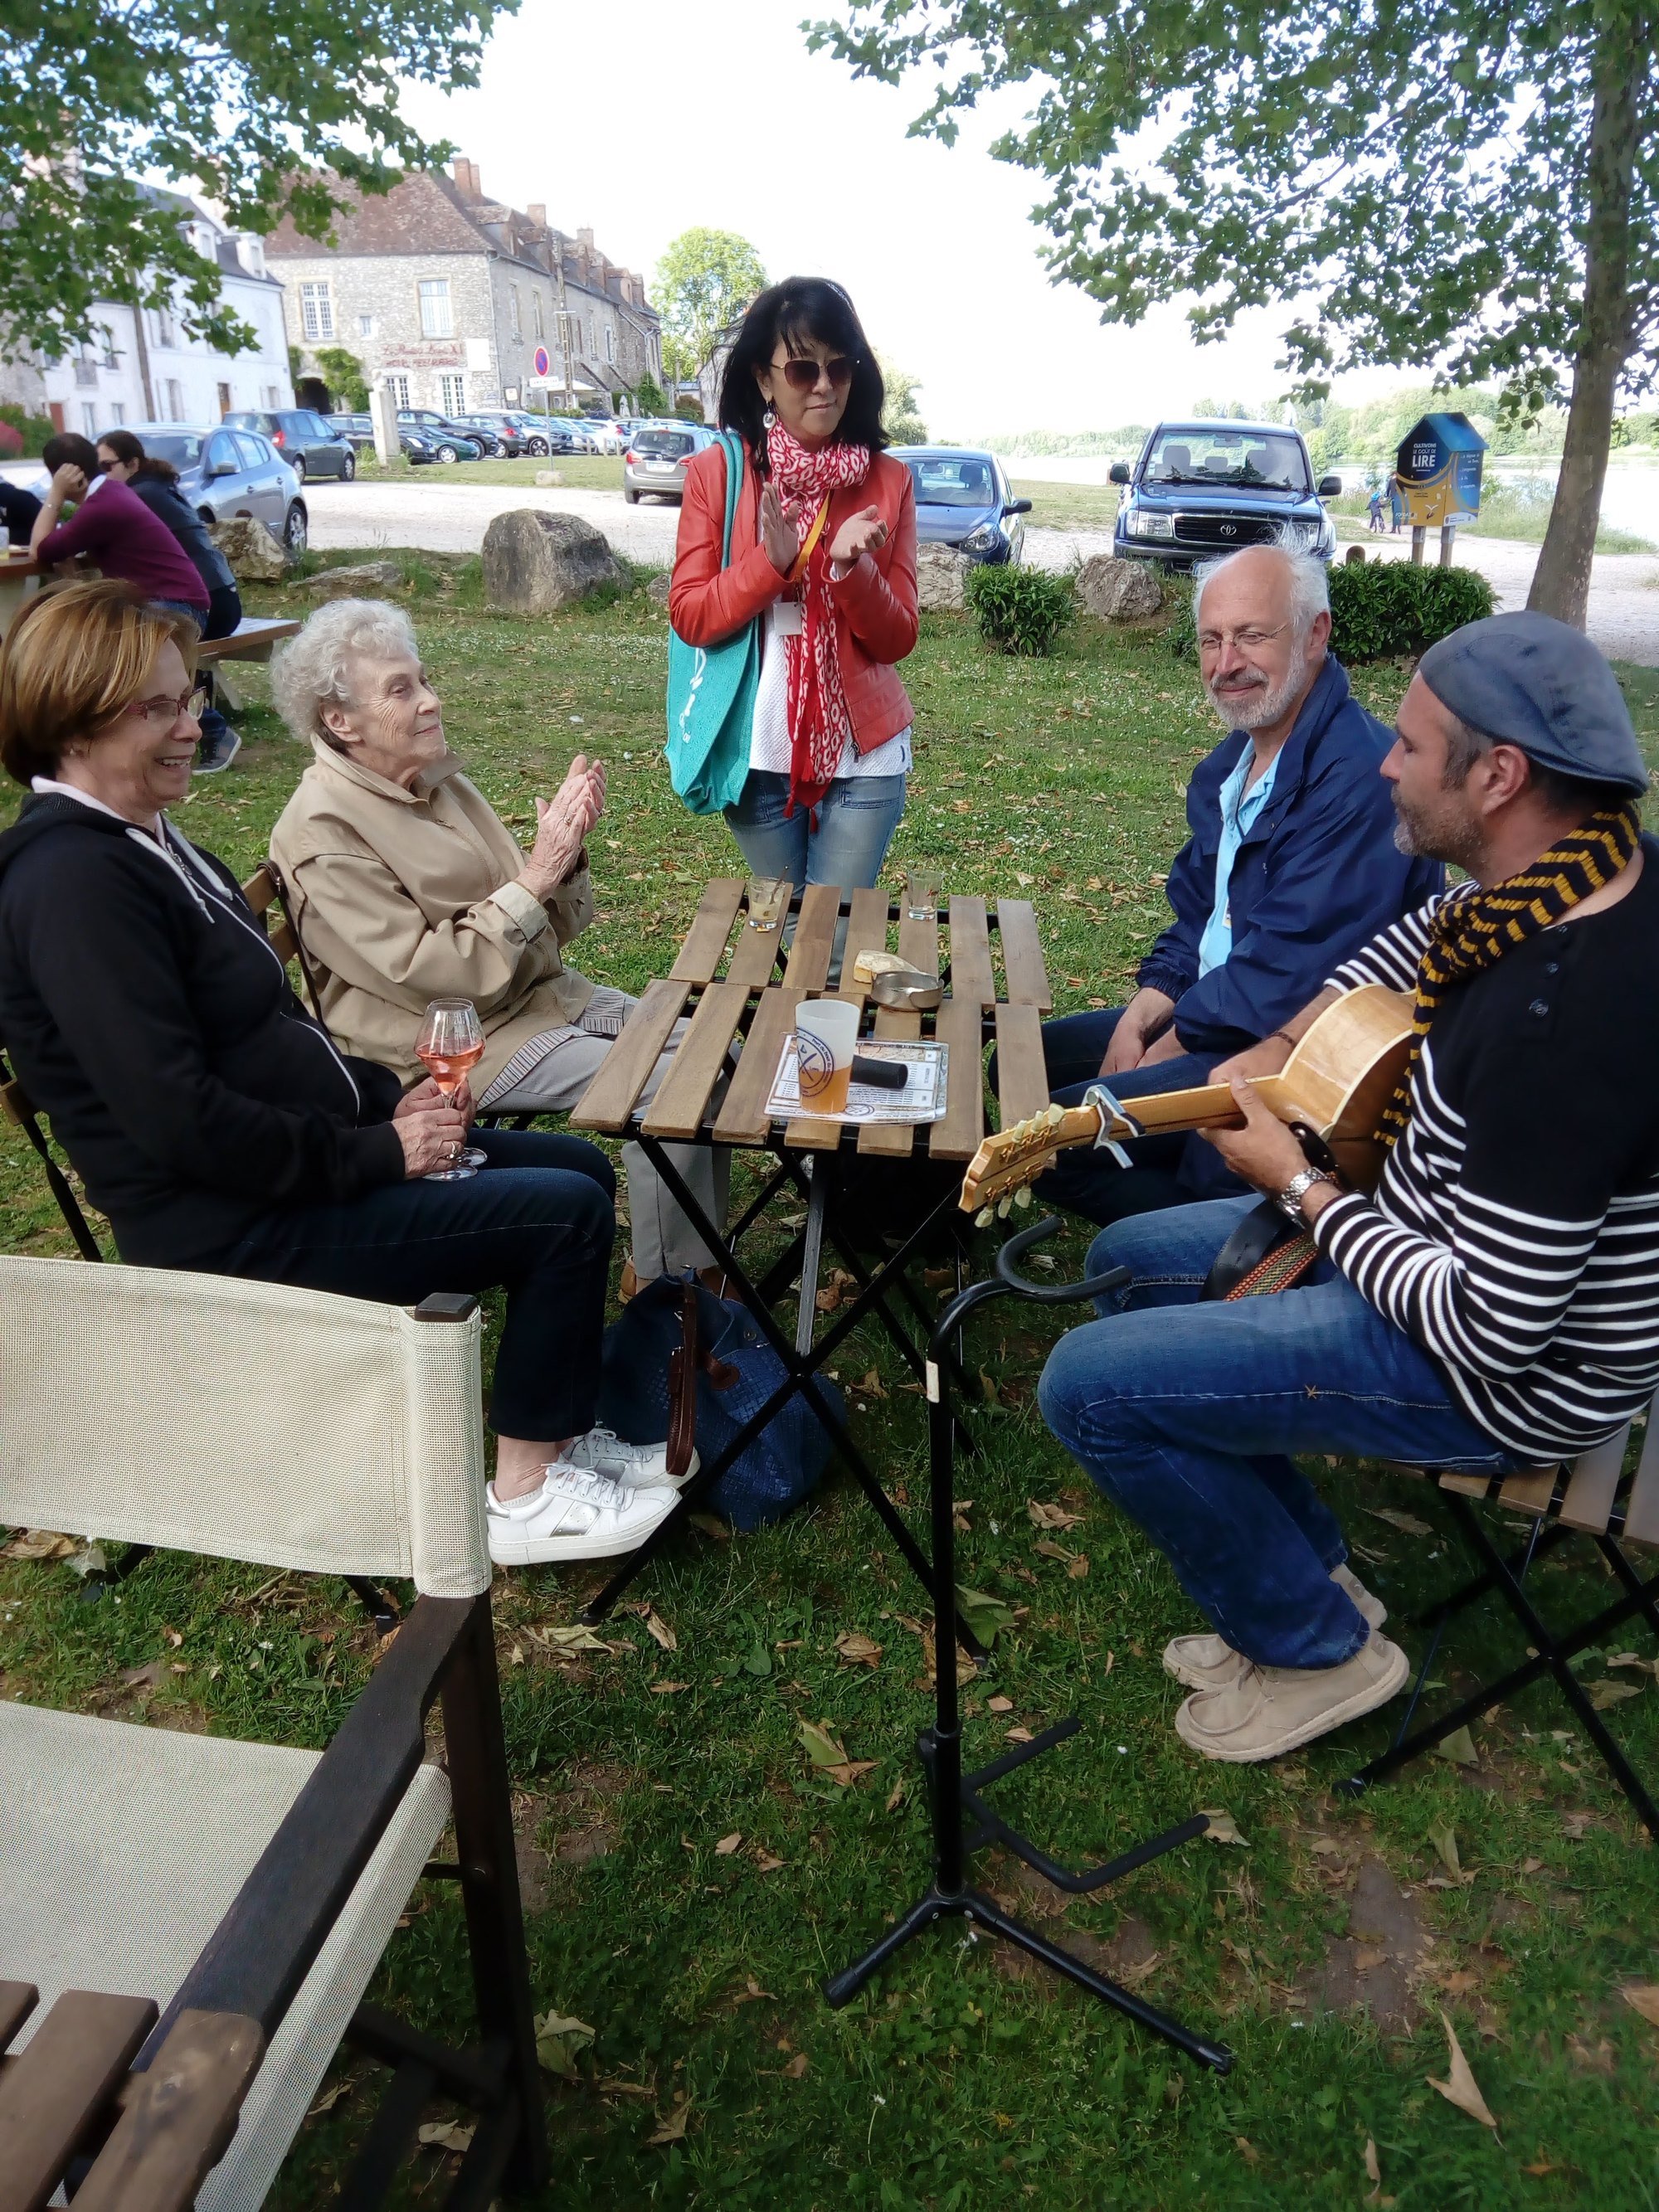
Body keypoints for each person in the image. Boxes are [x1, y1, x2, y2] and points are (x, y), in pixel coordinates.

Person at [1039, 610, 1658, 1763]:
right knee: (1122, 1265)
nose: (1385, 759)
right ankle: (1305, 1569)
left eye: (1412, 745)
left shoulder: (1559, 1024)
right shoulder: (1569, 868)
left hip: (1516, 1373)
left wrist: (1304, 1190)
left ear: (1499, 773)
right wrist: (1274, 1045)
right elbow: (1413, 943)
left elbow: (1497, 1327)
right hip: (1429, 1238)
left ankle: (1318, 1645)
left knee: (1088, 1386)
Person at [0, 580, 681, 1568]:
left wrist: (383, 1099)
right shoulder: (69, 884)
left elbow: (273, 1038)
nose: (192, 726)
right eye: (158, 708)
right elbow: (177, 1120)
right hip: (234, 1226)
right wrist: (374, 1150)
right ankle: (524, 1492)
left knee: (576, 1173)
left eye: (189, 697)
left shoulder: (139, 839)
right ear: (70, 719)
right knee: (559, 1214)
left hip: (302, 1163)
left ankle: (559, 1432)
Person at [267, 598, 729, 1299]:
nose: (430, 700)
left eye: (424, 679)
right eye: (401, 689)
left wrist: (562, 860)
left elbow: (537, 920)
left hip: (539, 1000)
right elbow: (439, 983)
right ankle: (675, 1295)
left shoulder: (433, 779)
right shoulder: (321, 832)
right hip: (452, 1047)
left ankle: (682, 1270)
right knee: (670, 1087)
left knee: (717, 1050)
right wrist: (538, 875)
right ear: (339, 720)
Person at [1011, 539, 1442, 1225]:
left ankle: (1218, 1223)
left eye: (1250, 636)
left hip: (1286, 1050)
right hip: (1215, 1011)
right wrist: (1139, 1015)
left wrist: (1163, 1046)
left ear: (1315, 634)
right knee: (1025, 1058)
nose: (1226, 663)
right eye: (1211, 640)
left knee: (1048, 1137)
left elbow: (1287, 977)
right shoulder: (1235, 764)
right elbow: (1199, 916)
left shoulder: (1357, 779)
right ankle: (1174, 1184)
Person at [669, 277, 918, 892]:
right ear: (764, 379)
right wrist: (768, 564)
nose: (826, 385)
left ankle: (824, 991)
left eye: (841, 366)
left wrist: (849, 570)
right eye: (804, 369)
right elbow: (691, 614)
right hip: (757, 748)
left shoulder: (889, 481)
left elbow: (897, 639)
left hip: (865, 753)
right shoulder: (717, 474)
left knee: (829, 941)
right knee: (787, 932)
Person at [96, 430, 243, 774]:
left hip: (202, 605)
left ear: (132, 463)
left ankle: (212, 728)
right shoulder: (157, 487)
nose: (100, 476)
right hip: (221, 598)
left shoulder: (137, 495)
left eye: (106, 466)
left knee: (138, 651)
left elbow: (61, 544)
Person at [28, 433, 209, 625]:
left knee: (86, 637)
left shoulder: (101, 506)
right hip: (181, 604)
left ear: (64, 475)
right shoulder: (113, 491)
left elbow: (38, 550)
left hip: (175, 608)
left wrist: (56, 491)